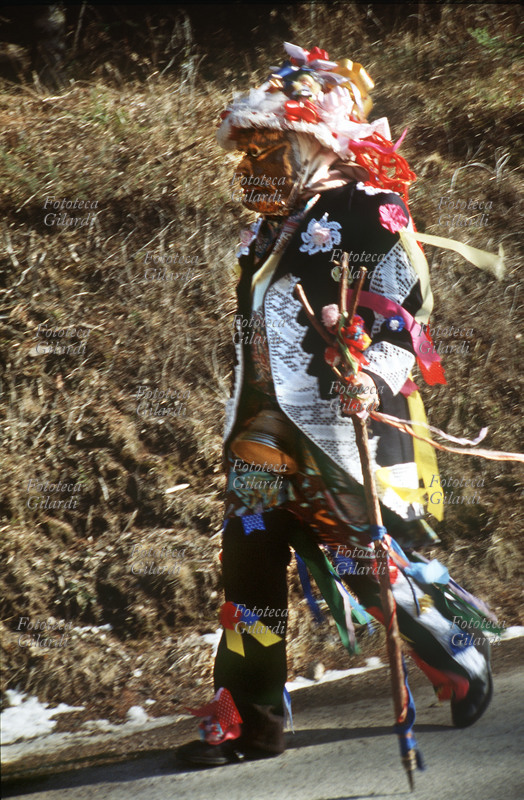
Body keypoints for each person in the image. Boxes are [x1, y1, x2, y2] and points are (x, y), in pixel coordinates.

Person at [177, 42, 495, 767]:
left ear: (314, 142)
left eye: (269, 146)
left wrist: (373, 373)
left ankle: (455, 646)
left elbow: (405, 312)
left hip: (339, 425)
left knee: (365, 562)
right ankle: (252, 715)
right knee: (248, 558)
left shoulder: (364, 207)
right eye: (247, 149)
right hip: (261, 427)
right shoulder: (262, 228)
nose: (252, 164)